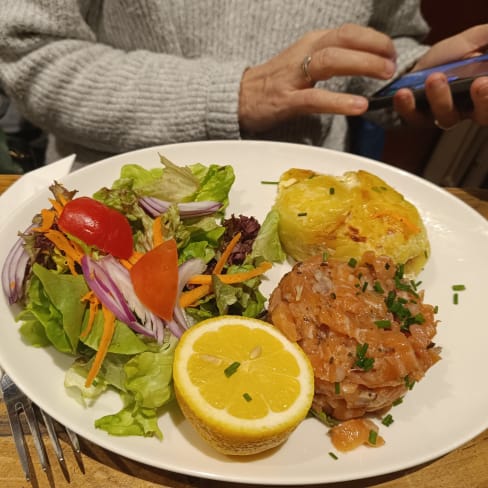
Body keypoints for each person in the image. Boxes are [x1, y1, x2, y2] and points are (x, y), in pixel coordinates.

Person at [0, 0, 487, 166]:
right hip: (116, 220)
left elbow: (386, 34)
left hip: (312, 219)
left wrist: (408, 75)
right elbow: (28, 51)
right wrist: (239, 93)